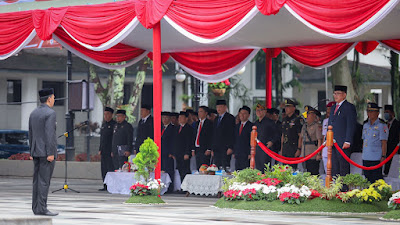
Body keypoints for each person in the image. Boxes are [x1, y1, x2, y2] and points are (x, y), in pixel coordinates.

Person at [29, 88, 58, 216]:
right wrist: (51, 152)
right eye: (53, 98)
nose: (54, 100)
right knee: (44, 181)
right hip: (46, 153)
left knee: (36, 181)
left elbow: (31, 133)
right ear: (49, 98)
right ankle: (42, 208)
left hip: (36, 151)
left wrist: (31, 151)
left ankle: (36, 207)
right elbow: (49, 134)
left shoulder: (34, 113)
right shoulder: (50, 113)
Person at [328, 85, 356, 185]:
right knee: (334, 167)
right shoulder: (333, 107)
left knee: (343, 166)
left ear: (344, 95)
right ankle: (336, 187)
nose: (335, 95)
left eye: (338, 93)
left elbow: (351, 125)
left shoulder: (349, 107)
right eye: (334, 93)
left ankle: (344, 189)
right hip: (333, 142)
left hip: (343, 143)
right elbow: (330, 124)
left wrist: (348, 140)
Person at [362, 103, 388, 183]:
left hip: (376, 157)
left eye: (372, 111)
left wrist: (383, 156)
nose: (369, 113)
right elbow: (364, 140)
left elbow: (384, 142)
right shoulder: (365, 125)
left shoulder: (382, 126)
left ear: (377, 113)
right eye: (368, 111)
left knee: (376, 180)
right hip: (366, 156)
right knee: (367, 179)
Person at [211, 100, 235, 171]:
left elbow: (232, 133)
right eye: (217, 107)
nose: (219, 109)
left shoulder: (230, 118)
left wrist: (230, 147)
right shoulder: (216, 119)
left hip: (225, 147)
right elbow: (214, 134)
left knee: (225, 167)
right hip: (216, 148)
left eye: (221, 107)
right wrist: (212, 148)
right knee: (216, 167)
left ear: (225, 107)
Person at [299, 107, 323, 175]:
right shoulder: (304, 126)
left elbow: (319, 140)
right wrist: (300, 149)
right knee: (306, 173)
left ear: (314, 115)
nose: (307, 116)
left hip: (313, 154)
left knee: (314, 173)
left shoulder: (316, 126)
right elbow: (301, 138)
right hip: (305, 153)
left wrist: (319, 154)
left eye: (309, 114)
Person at [255, 104, 279, 171]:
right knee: (258, 168)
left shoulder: (270, 122)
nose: (258, 112)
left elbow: (277, 134)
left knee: (265, 168)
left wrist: (272, 141)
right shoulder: (256, 123)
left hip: (266, 148)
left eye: (260, 110)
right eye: (257, 111)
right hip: (257, 148)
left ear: (265, 111)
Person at [173, 111, 195, 182]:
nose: (180, 119)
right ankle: (182, 186)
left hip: (184, 153)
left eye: (182, 117)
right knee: (179, 170)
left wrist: (187, 153)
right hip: (178, 153)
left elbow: (189, 142)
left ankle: (186, 187)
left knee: (185, 170)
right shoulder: (177, 128)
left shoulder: (189, 128)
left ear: (186, 119)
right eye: (179, 117)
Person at [281, 99, 302, 170]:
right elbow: (283, 135)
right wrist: (282, 148)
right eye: (286, 107)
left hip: (293, 147)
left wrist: (299, 149)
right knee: (284, 169)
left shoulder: (297, 119)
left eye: (288, 107)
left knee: (292, 169)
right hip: (285, 147)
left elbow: (300, 136)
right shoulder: (284, 119)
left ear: (293, 108)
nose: (286, 109)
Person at [98, 107, 116, 191]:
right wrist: (100, 149)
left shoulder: (114, 125)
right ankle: (105, 185)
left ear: (111, 115)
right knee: (103, 168)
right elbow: (102, 138)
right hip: (104, 150)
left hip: (110, 150)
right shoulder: (104, 125)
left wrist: (113, 150)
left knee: (110, 168)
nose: (106, 116)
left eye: (107, 114)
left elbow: (114, 139)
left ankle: (111, 186)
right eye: (104, 114)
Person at [233, 106, 254, 170]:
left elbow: (251, 140)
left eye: (244, 113)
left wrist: (250, 153)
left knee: (245, 171)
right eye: (241, 113)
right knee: (237, 171)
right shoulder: (237, 125)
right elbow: (235, 139)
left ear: (248, 115)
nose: (242, 115)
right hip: (237, 153)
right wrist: (234, 151)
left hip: (246, 154)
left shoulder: (251, 126)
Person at [383, 105, 400, 176]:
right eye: (385, 112)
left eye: (387, 112)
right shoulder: (384, 124)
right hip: (385, 151)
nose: (386, 114)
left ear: (392, 113)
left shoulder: (398, 124)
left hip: (394, 151)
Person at [161, 112, 175, 192]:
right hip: (161, 152)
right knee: (162, 169)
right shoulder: (161, 128)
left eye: (166, 118)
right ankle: (162, 187)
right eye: (163, 118)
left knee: (169, 170)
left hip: (168, 153)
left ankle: (170, 188)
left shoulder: (173, 128)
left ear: (170, 119)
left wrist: (172, 152)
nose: (164, 120)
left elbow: (174, 141)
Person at [322, 101, 335, 173]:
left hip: (334, 148)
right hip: (325, 148)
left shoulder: (337, 121)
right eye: (328, 109)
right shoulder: (325, 121)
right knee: (326, 170)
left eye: (330, 109)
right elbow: (323, 136)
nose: (328, 111)